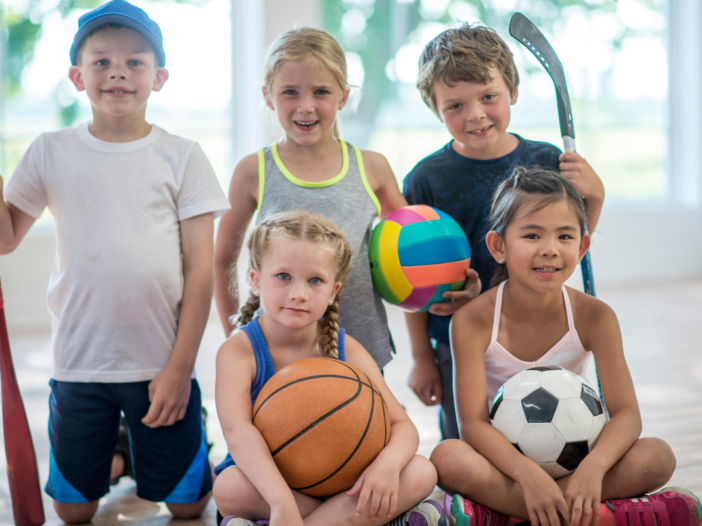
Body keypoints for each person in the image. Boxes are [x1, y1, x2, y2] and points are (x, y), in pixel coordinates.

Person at [0, 1, 229, 522]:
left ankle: (149, 443)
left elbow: (199, 272)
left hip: (159, 363)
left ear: (159, 77)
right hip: (79, 361)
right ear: (78, 77)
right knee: (73, 515)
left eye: (135, 61)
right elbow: (6, 238)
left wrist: (180, 369)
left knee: (189, 506)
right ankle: (121, 453)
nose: (118, 71)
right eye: (101, 61)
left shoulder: (183, 155)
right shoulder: (49, 150)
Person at [430, 167, 701, 526]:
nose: (550, 250)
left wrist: (593, 469)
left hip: (581, 458)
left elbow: (626, 415)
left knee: (657, 456)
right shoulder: (472, 320)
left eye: (564, 236)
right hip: (507, 467)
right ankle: (601, 516)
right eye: (531, 235)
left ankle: (505, 516)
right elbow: (474, 426)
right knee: (447, 457)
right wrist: (528, 476)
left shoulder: (595, 316)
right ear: (498, 246)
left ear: (582, 246)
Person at [403, 23, 606, 441]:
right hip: (458, 339)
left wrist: (595, 200)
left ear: (512, 90)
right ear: (434, 107)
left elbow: (566, 248)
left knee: (550, 437)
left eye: (488, 97)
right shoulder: (425, 179)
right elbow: (408, 274)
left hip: (537, 332)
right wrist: (422, 355)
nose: (474, 114)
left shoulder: (548, 160)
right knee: (466, 443)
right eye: (455, 105)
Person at [212, 211, 443, 526]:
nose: (298, 293)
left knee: (421, 471)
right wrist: (281, 501)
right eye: (283, 276)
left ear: (333, 291)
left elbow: (403, 426)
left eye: (315, 280)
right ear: (255, 280)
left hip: (345, 481)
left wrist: (385, 468)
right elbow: (239, 434)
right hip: (273, 483)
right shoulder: (239, 351)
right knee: (228, 488)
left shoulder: (347, 349)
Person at [214, 27, 406, 372]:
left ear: (343, 97)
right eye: (290, 92)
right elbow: (222, 260)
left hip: (361, 345)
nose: (306, 107)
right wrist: (238, 339)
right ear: (268, 96)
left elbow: (410, 252)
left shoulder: (372, 168)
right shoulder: (252, 171)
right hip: (276, 354)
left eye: (321, 92)